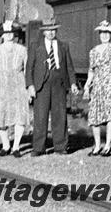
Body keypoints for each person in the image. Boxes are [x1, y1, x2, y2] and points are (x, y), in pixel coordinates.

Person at [26, 20, 78, 156]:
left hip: (59, 85)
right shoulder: (35, 46)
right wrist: (30, 85)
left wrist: (73, 83)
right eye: (48, 30)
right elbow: (29, 68)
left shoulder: (63, 46)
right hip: (41, 85)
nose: (51, 33)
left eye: (53, 30)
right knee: (40, 116)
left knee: (60, 116)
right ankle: (38, 148)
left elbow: (69, 67)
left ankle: (60, 146)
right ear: (43, 32)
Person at [83, 20, 111, 156]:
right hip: (97, 83)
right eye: (102, 33)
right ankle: (97, 146)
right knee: (95, 117)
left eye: (107, 33)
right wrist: (87, 84)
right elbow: (91, 70)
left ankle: (107, 145)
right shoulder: (93, 51)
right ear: (99, 35)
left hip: (109, 83)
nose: (104, 35)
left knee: (110, 116)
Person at [0, 21, 30, 157]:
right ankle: (6, 145)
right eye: (6, 33)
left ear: (15, 34)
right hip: (1, 83)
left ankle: (16, 146)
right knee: (1, 115)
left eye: (11, 33)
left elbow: (26, 70)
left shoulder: (22, 49)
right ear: (2, 35)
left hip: (18, 83)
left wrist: (28, 87)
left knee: (19, 115)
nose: (9, 36)